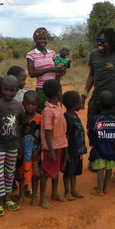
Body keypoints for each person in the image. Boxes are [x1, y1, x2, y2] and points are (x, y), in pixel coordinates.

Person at [0, 75, 25, 217]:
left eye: (12, 90)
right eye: (5, 89)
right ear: (1, 88)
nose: (8, 93)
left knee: (9, 173)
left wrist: (20, 147)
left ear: (17, 90)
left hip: (13, 145)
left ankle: (7, 198)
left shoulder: (19, 106)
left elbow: (18, 127)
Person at [82, 28, 115, 122]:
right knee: (92, 125)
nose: (99, 43)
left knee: (109, 127)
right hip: (97, 96)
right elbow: (91, 75)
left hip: (112, 99)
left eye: (103, 41)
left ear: (111, 42)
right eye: (98, 40)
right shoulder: (93, 54)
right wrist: (85, 94)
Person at [39, 79, 68, 209]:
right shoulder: (48, 111)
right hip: (52, 147)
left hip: (60, 144)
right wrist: (50, 150)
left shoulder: (57, 107)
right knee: (46, 171)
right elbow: (47, 130)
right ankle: (42, 198)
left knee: (56, 170)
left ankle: (54, 192)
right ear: (58, 93)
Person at [88, 90, 115, 196]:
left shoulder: (96, 119)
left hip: (99, 149)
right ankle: (105, 188)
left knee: (100, 169)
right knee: (109, 168)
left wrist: (92, 142)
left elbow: (91, 133)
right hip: (111, 148)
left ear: (99, 103)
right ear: (114, 104)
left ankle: (99, 190)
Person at [26, 28, 64, 113]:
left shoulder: (52, 53)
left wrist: (59, 89)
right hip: (41, 89)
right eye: (39, 39)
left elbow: (57, 72)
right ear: (35, 40)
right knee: (42, 113)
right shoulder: (31, 54)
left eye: (44, 38)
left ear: (47, 40)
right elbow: (32, 74)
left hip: (54, 89)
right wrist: (49, 69)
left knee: (56, 112)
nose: (42, 41)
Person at [18, 90, 42, 205]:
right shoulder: (21, 117)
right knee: (22, 172)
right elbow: (18, 133)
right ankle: (22, 194)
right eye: (27, 104)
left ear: (37, 104)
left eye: (33, 104)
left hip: (34, 153)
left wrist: (38, 150)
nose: (30, 107)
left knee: (35, 175)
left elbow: (42, 137)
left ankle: (34, 196)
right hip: (23, 152)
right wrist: (20, 149)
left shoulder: (39, 118)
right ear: (23, 103)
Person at [62, 90, 86, 200]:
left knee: (74, 171)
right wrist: (65, 153)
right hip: (70, 151)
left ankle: (74, 190)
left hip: (77, 150)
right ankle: (67, 191)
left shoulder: (75, 116)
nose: (81, 104)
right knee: (68, 172)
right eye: (79, 102)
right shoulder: (66, 118)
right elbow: (65, 137)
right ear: (74, 104)